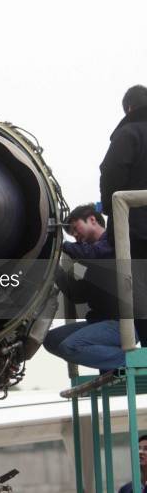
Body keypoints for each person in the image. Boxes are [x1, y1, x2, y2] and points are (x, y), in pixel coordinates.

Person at [44, 203, 129, 372]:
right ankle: (112, 360)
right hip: (99, 321)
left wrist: (58, 242)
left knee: (70, 346)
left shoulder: (112, 242)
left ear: (92, 219)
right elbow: (77, 294)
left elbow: (93, 254)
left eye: (76, 228)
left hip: (123, 323)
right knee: (51, 340)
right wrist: (54, 268)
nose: (75, 235)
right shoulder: (85, 258)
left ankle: (130, 361)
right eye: (72, 234)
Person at [100, 84, 147, 344]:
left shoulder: (128, 134)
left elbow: (112, 176)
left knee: (138, 295)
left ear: (129, 108)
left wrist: (111, 209)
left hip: (137, 233)